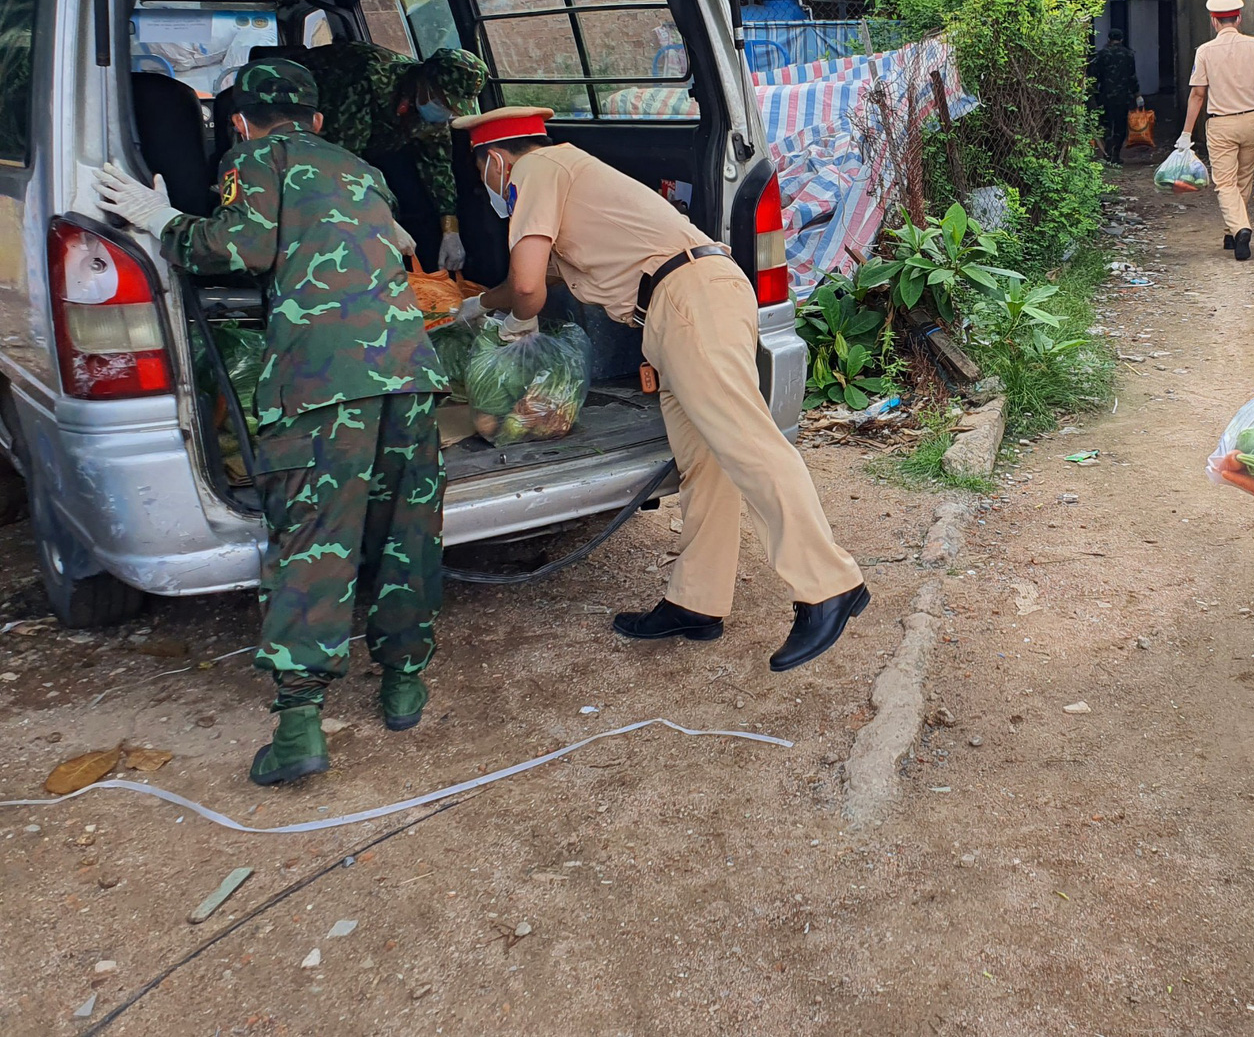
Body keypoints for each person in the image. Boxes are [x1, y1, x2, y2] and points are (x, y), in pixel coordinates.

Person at [95, 59, 449, 785]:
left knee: (316, 543)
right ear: (319, 120)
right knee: (404, 533)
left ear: (238, 121)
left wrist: (162, 220)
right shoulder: (357, 165)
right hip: (410, 374)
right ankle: (402, 684)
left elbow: (240, 250)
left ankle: (298, 729)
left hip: (324, 384)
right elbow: (400, 244)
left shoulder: (253, 156)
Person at [451, 106, 870, 671]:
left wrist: (503, 314)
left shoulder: (537, 172)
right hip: (679, 311)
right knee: (706, 464)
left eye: (486, 175)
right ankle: (695, 602)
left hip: (690, 303)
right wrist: (495, 301)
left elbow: (527, 286)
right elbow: (547, 273)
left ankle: (829, 585)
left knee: (749, 444)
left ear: (495, 160)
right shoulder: (569, 170)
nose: (492, 187)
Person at [291, 43, 488, 271]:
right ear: (424, 81)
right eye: (444, 101)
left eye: (454, 107)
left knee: (413, 200)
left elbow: (437, 164)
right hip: (321, 148)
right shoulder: (368, 79)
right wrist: (383, 220)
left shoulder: (429, 108)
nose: (447, 111)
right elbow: (340, 161)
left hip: (375, 146)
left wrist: (450, 228)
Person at [1178, 0, 1254, 261]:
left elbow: (1198, 94)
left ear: (1213, 21)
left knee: (1225, 183)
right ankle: (1232, 234)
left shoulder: (1205, 51)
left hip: (1221, 124)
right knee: (1244, 177)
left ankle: (1241, 228)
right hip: (1252, 120)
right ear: (1239, 19)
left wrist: (1186, 133)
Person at [1087, 29, 1140, 163]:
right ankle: (1116, 154)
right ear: (1122, 39)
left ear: (1109, 39)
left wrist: (1092, 93)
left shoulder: (1102, 55)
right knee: (1120, 125)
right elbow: (1132, 77)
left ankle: (1107, 151)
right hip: (1123, 96)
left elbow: (1093, 75)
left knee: (1106, 124)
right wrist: (1137, 94)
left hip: (1106, 95)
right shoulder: (1128, 54)